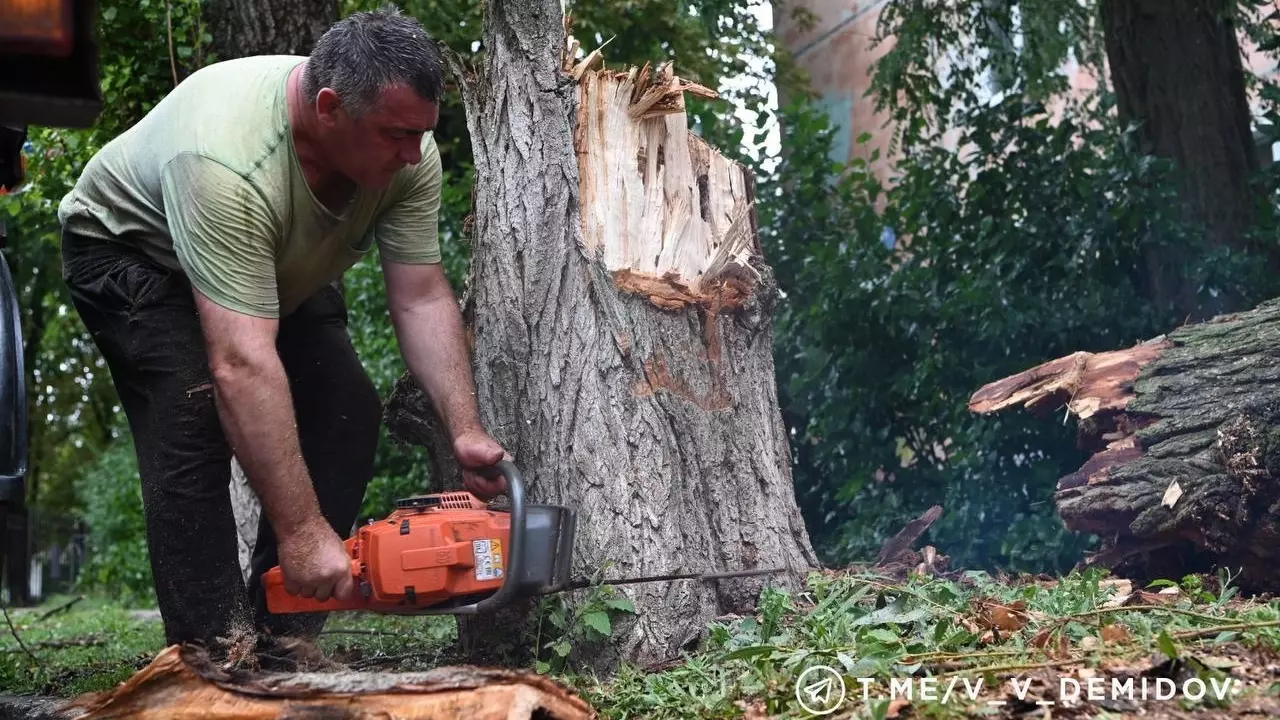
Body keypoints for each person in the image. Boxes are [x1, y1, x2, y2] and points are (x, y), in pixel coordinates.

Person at [55, 8, 507, 663]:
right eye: (394, 135)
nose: (412, 155)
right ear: (329, 108)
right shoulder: (226, 161)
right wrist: (302, 530)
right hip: (131, 252)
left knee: (347, 409)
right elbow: (241, 364)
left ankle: (283, 638)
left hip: (269, 261)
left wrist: (463, 426)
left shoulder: (406, 155)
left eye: (420, 133)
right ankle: (214, 654)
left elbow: (420, 294)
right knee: (194, 413)